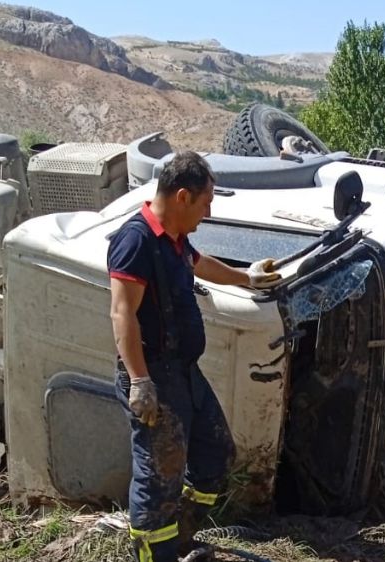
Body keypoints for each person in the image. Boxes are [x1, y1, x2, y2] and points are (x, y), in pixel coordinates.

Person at [108, 151, 282, 562]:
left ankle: (181, 536)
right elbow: (121, 312)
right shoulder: (135, 240)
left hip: (184, 373)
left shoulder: (175, 239)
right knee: (158, 478)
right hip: (154, 377)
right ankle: (156, 551)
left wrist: (247, 278)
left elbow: (198, 264)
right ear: (183, 196)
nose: (208, 213)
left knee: (214, 455)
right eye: (206, 203)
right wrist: (139, 380)